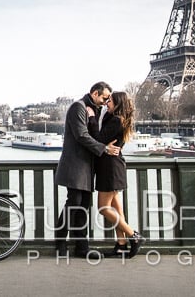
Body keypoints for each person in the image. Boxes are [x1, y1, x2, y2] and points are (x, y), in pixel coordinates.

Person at [53, 81, 121, 258]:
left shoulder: (94, 110)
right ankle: (60, 242)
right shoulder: (79, 107)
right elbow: (81, 135)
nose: (106, 102)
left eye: (108, 99)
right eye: (105, 98)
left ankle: (81, 247)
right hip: (76, 165)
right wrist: (104, 149)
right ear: (95, 93)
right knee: (74, 204)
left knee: (83, 206)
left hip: (86, 166)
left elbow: (94, 135)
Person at [90, 91, 145, 258]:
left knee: (103, 208)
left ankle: (133, 235)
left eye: (110, 101)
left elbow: (98, 139)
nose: (107, 103)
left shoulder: (116, 120)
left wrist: (92, 118)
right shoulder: (117, 119)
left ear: (118, 104)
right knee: (116, 209)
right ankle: (121, 245)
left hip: (110, 167)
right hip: (111, 166)